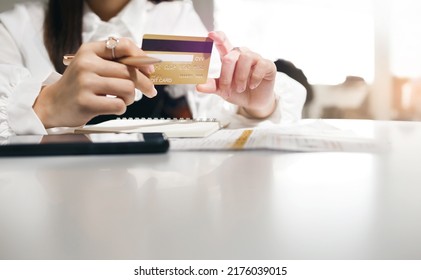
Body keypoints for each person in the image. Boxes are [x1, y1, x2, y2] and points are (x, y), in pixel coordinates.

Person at [0, 0, 306, 137]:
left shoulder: (176, 17)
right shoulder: (16, 26)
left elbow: (215, 105)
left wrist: (255, 105)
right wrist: (45, 105)